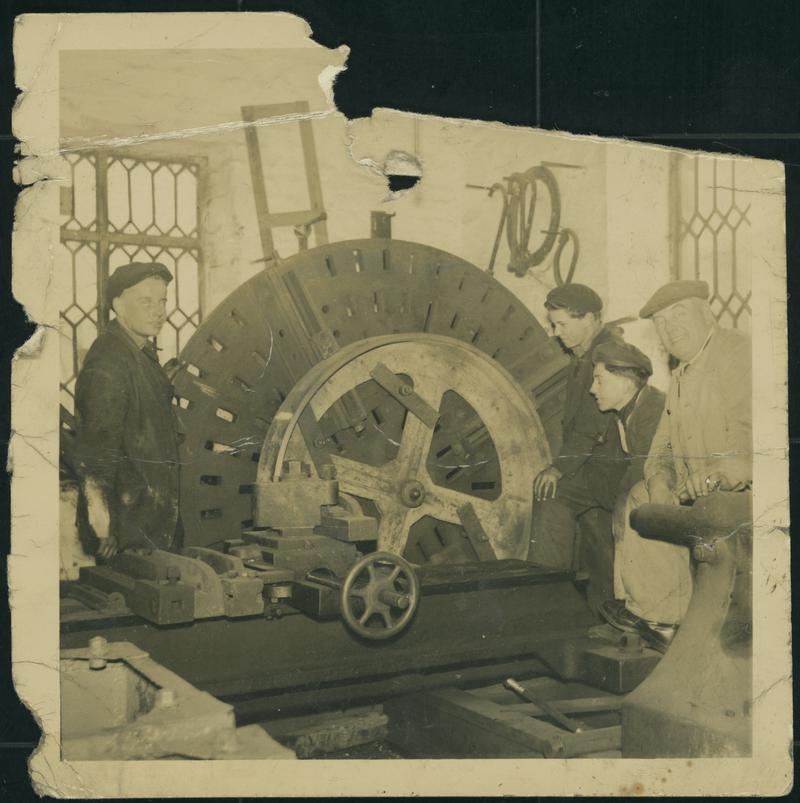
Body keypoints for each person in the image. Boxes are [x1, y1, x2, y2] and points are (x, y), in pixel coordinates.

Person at [600, 280, 752, 650]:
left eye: (679, 315)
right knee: (643, 496)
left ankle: (685, 625)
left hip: (743, 491)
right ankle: (662, 619)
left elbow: (753, 434)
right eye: (662, 323)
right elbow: (663, 444)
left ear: (706, 314)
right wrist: (659, 479)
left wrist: (720, 473)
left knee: (706, 512)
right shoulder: (683, 373)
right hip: (700, 489)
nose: (670, 328)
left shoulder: (737, 354)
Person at [529, 283, 626, 612]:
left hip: (607, 470)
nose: (557, 333)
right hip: (593, 467)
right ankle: (604, 614)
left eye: (562, 324)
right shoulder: (585, 355)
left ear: (589, 318)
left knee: (550, 493)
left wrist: (558, 468)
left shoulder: (607, 355)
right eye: (554, 325)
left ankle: (546, 598)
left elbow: (591, 426)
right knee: (601, 551)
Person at [73, 262, 181, 559]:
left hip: (149, 522)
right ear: (118, 306)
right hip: (124, 531)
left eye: (162, 301)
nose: (158, 311)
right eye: (146, 302)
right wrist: (102, 525)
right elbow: (96, 452)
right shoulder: (108, 361)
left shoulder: (139, 353)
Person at [588, 340, 672, 648]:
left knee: (628, 513)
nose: (593, 389)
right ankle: (629, 616)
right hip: (646, 485)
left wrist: (619, 506)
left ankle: (641, 617)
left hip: (665, 489)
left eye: (600, 380)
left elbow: (647, 467)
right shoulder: (629, 410)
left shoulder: (651, 409)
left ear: (625, 382)